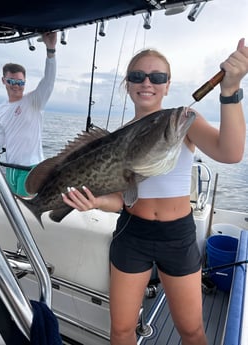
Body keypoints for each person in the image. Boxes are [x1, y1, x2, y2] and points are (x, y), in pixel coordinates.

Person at [62, 38, 248, 345]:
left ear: (167, 84)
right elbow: (123, 200)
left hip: (178, 236)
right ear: (127, 84)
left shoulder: (183, 120)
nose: (147, 83)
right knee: (121, 330)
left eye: (157, 77)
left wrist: (229, 92)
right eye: (137, 76)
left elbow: (230, 153)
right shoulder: (119, 138)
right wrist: (94, 202)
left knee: (191, 330)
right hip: (132, 234)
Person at [0, 32, 57, 197]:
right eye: (12, 81)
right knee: (16, 202)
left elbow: (48, 81)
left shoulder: (34, 100)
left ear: (24, 82)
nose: (16, 86)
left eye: (20, 82)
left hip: (32, 168)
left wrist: (51, 50)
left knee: (28, 203)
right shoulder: (0, 110)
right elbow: (2, 135)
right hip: (11, 168)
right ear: (3, 80)